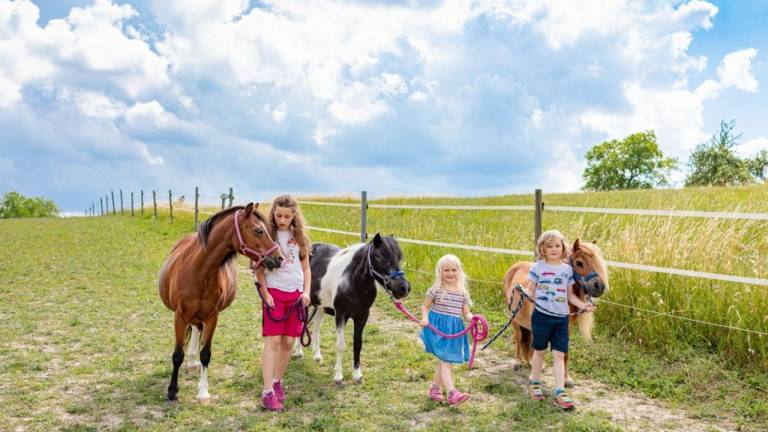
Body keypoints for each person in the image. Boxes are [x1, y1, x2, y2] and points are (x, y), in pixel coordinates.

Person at [523, 229, 595, 410]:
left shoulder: (567, 270)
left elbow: (570, 296)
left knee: (559, 354)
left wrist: (583, 305)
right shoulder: (537, 268)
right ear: (542, 249)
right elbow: (531, 289)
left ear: (563, 248)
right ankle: (535, 384)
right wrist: (525, 292)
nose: (554, 249)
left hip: (561, 319)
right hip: (541, 317)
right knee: (539, 351)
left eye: (557, 245)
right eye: (549, 246)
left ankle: (559, 391)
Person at [255, 194, 311, 412]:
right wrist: (265, 292)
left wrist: (306, 292)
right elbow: (258, 269)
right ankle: (267, 392)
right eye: (278, 215)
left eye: (287, 216)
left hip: (295, 296)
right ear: (274, 213)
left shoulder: (300, 238)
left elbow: (305, 268)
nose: (282, 220)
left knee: (288, 342)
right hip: (275, 294)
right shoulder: (267, 235)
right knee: (273, 341)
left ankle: (277, 381)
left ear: (294, 216)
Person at [419, 254, 473, 406]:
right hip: (438, 329)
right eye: (446, 270)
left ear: (459, 271)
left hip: (453, 330)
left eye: (453, 270)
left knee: (444, 360)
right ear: (440, 272)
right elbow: (425, 306)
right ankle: (452, 393)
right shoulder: (436, 289)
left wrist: (472, 318)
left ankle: (435, 388)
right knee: (445, 360)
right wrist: (425, 318)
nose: (450, 273)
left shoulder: (462, 292)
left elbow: (466, 313)